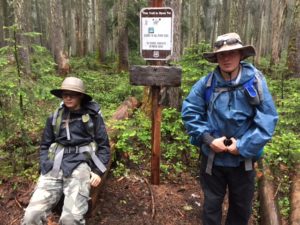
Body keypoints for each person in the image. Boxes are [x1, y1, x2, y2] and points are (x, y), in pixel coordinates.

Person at [181, 33, 278, 225]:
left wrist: (242, 146)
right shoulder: (206, 84)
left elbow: (267, 119)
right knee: (211, 205)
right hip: (212, 161)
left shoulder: (256, 82)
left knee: (241, 209)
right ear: (216, 58)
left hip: (244, 161)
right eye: (222, 54)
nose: (226, 58)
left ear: (240, 55)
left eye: (231, 53)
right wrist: (208, 139)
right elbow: (190, 113)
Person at [22, 77, 110, 225]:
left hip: (80, 165)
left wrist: (97, 171)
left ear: (80, 96)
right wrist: (45, 165)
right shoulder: (55, 117)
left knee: (70, 220)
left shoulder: (92, 117)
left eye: (72, 94)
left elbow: (104, 146)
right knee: (31, 216)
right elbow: (45, 145)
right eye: (65, 94)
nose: (68, 97)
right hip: (54, 165)